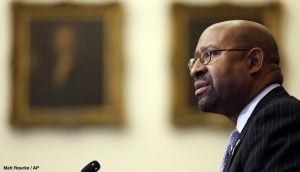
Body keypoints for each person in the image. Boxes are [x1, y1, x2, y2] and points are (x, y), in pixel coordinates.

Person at [188, 20, 300, 172]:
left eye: (208, 54)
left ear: (253, 61)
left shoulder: (282, 117)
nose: (195, 70)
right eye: (194, 61)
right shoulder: (254, 127)